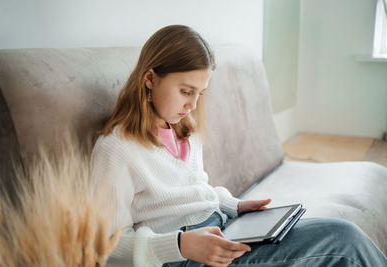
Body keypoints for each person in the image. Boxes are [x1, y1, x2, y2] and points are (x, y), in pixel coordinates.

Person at [90, 25, 387, 267]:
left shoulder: (183, 132)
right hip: (186, 256)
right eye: (185, 91)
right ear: (150, 78)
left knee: (337, 233)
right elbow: (105, 245)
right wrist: (180, 245)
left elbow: (194, 192)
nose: (192, 104)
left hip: (224, 228)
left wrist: (234, 205)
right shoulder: (116, 149)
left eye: (200, 94)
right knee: (342, 244)